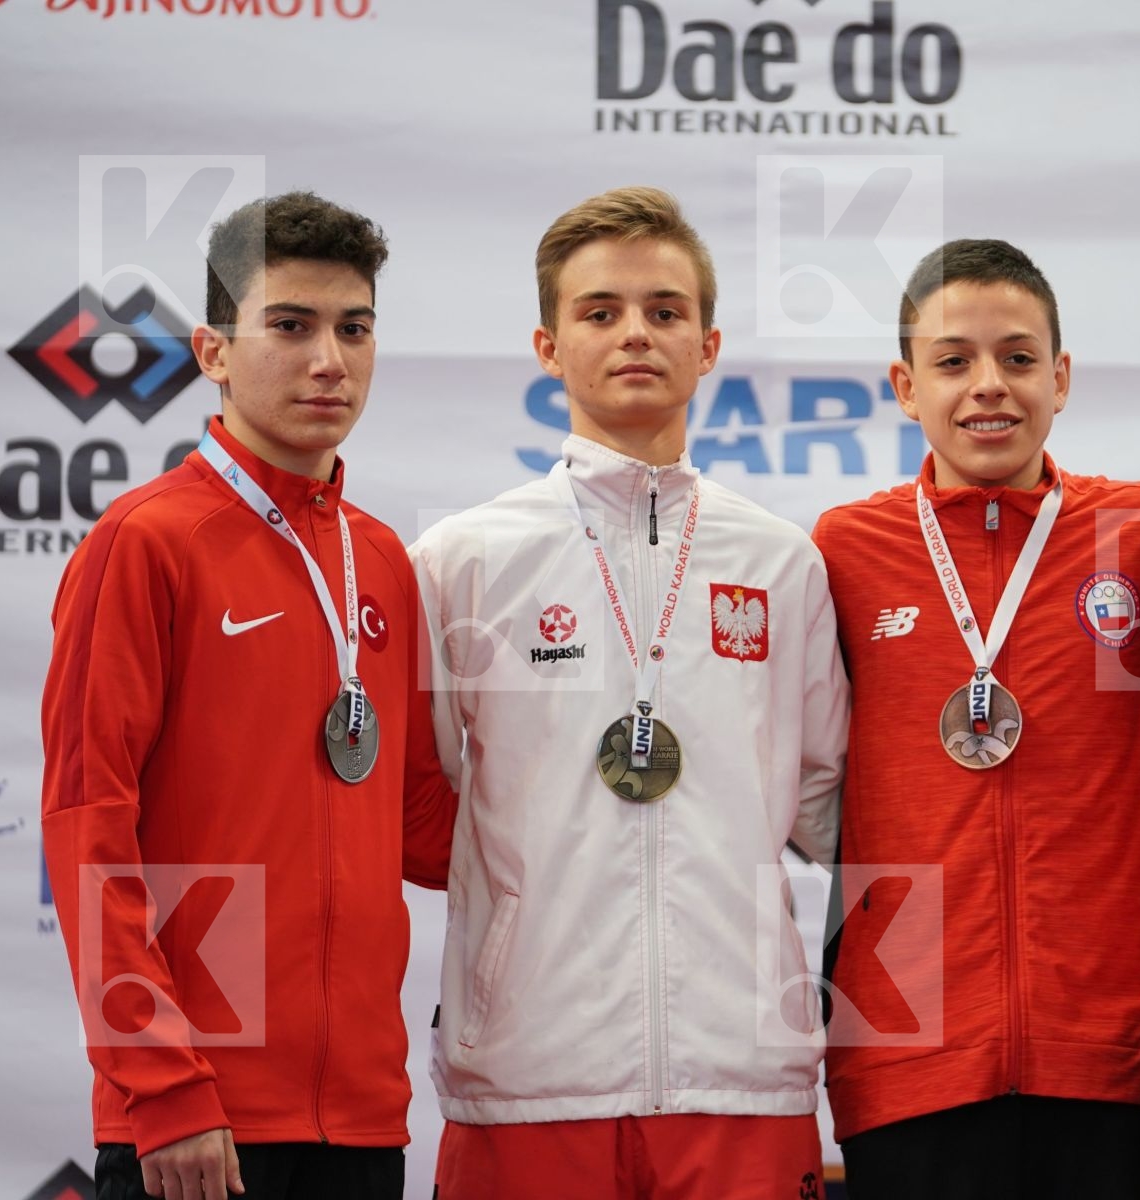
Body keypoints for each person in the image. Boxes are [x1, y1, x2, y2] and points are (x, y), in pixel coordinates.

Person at [411, 185, 849, 1200]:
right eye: (600, 312)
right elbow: (421, 802)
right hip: (527, 1077)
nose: (636, 334)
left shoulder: (782, 561)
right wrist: (522, 919)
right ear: (548, 346)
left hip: (742, 1075)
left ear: (709, 345)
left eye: (665, 310)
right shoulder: (463, 561)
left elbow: (830, 806)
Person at [41, 191, 459, 1200]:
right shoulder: (146, 542)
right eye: (291, 326)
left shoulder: (381, 560)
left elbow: (422, 830)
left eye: (354, 329)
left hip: (365, 1120)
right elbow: (88, 827)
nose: (330, 360)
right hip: (199, 1116)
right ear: (214, 352)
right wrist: (162, 1084)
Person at [810, 239, 1140, 1199]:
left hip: (1114, 1036)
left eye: (1018, 358)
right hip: (908, 1042)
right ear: (905, 386)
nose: (989, 385)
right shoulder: (842, 551)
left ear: (1061, 378)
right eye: (953, 360)